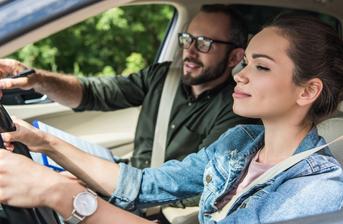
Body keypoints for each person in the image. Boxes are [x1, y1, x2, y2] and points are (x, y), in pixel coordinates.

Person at [0, 12, 342, 224]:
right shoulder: (240, 143)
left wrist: (60, 194)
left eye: (261, 66)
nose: (240, 75)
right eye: (247, 63)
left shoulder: (318, 192)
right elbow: (145, 184)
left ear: (307, 90)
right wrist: (43, 142)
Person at [0, 4, 255, 171]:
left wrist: (98, 187)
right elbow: (94, 94)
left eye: (204, 43)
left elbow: (194, 182)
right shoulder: (162, 76)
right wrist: (38, 80)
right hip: (131, 183)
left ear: (234, 58)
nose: (188, 51)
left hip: (160, 208)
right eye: (187, 39)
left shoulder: (236, 111)